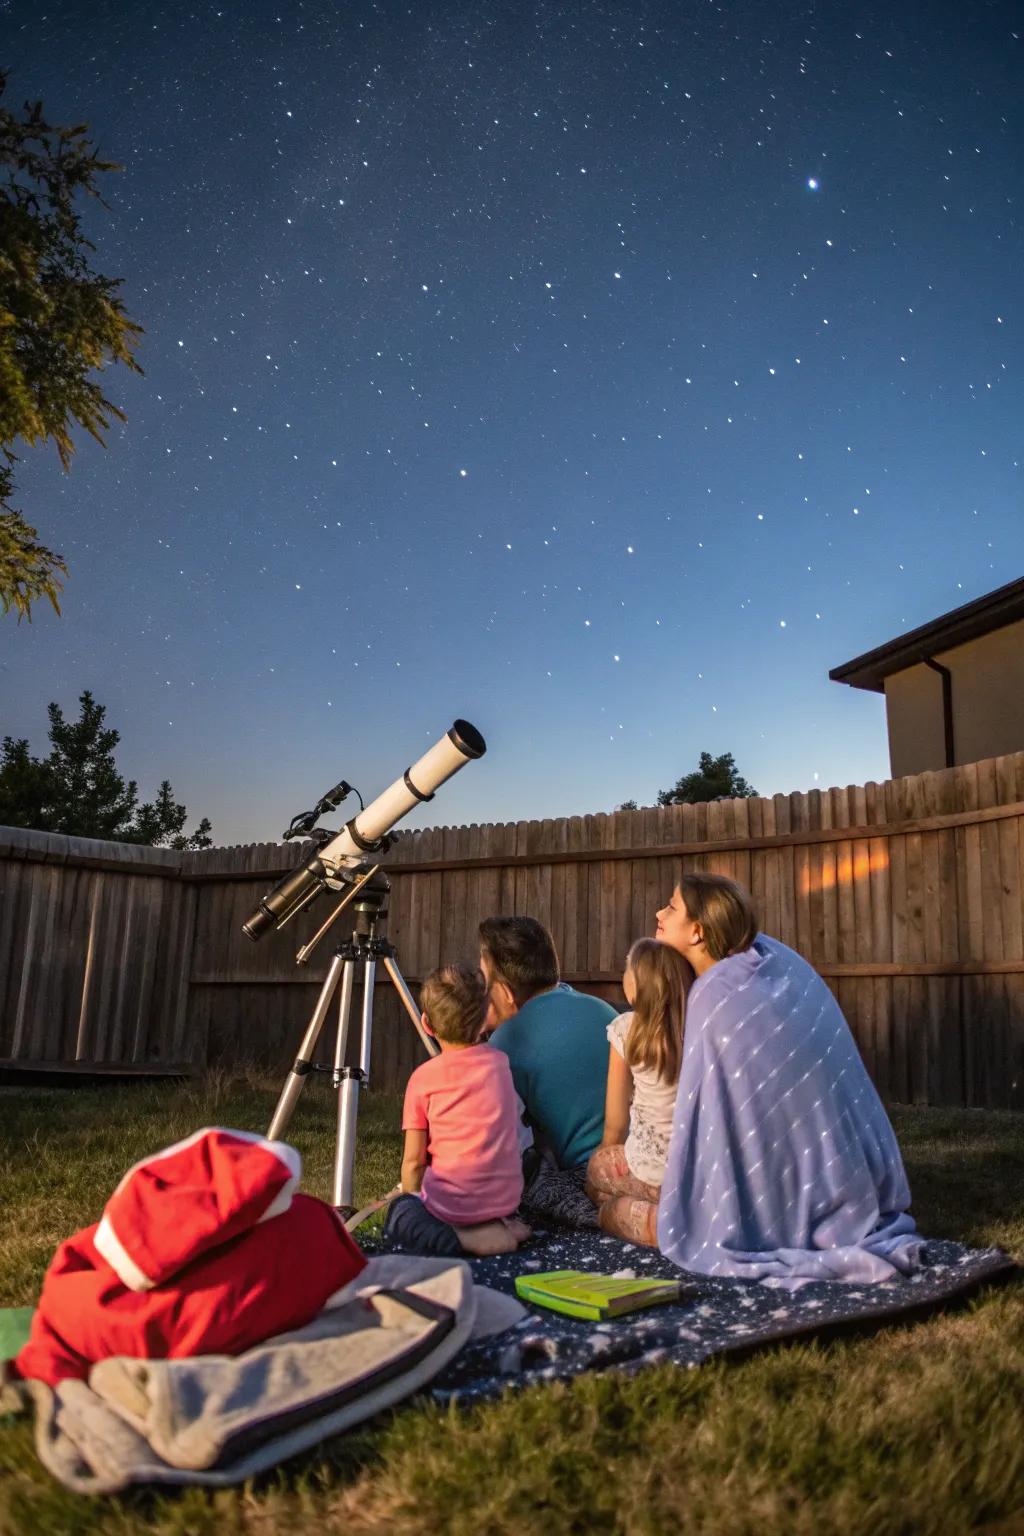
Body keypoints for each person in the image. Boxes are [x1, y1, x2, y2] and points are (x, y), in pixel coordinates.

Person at [654, 871, 922, 1284]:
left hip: (783, 1202)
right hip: (847, 1177)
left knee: (610, 1189)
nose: (659, 912)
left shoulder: (717, 997)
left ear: (697, 932)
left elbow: (704, 1117)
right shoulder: (774, 960)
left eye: (671, 907)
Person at [384, 963, 531, 1257]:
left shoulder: (423, 1079)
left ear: (427, 1024)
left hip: (451, 1209)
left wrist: (411, 1196)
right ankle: (500, 1224)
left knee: (400, 1212)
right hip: (506, 1201)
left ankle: (464, 1240)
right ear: (483, 1021)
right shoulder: (500, 1065)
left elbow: (413, 1162)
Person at [480, 915, 619, 1226]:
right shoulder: (600, 1008)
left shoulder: (506, 1044)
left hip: (588, 1175)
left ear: (504, 992)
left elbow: (506, 1139)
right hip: (639, 1158)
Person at [585, 938, 693, 1246]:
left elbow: (615, 1125)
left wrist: (604, 1158)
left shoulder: (627, 1030)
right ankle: (678, 1217)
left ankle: (648, 1222)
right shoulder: (700, 1030)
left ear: (635, 985)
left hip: (647, 1171)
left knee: (599, 1183)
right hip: (696, 1174)